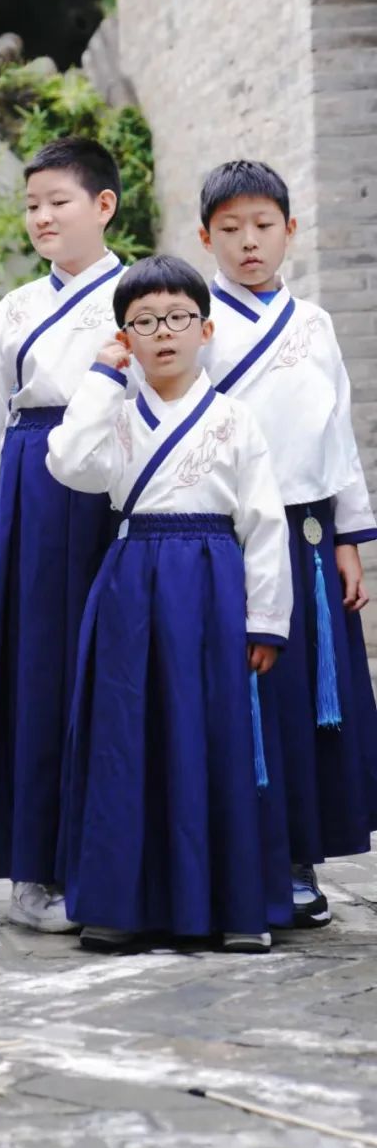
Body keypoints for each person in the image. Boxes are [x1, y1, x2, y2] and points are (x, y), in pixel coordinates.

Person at [47, 254, 293, 952]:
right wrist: (100, 374)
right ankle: (125, 904)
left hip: (213, 582)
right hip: (131, 583)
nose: (163, 333)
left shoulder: (235, 420)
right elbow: (65, 461)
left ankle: (233, 905)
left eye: (178, 317)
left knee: (214, 735)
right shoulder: (115, 418)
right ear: (125, 335)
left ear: (205, 328)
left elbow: (265, 523)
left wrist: (266, 618)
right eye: (143, 322)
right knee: (128, 738)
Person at [0, 136, 125, 932]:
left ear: (104, 206)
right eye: (33, 204)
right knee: (36, 672)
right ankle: (35, 872)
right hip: (33, 488)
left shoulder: (142, 292)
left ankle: (116, 863)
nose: (43, 217)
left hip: (118, 489)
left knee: (118, 674)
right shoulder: (16, 307)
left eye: (60, 201)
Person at [199, 160, 377, 926]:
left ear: (290, 232)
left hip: (308, 532)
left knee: (306, 701)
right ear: (204, 236)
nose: (248, 244)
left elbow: (336, 435)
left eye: (263, 226)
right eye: (230, 229)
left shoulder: (314, 323)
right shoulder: (193, 317)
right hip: (230, 534)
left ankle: (300, 855)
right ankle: (242, 853)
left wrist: (348, 534)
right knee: (245, 693)